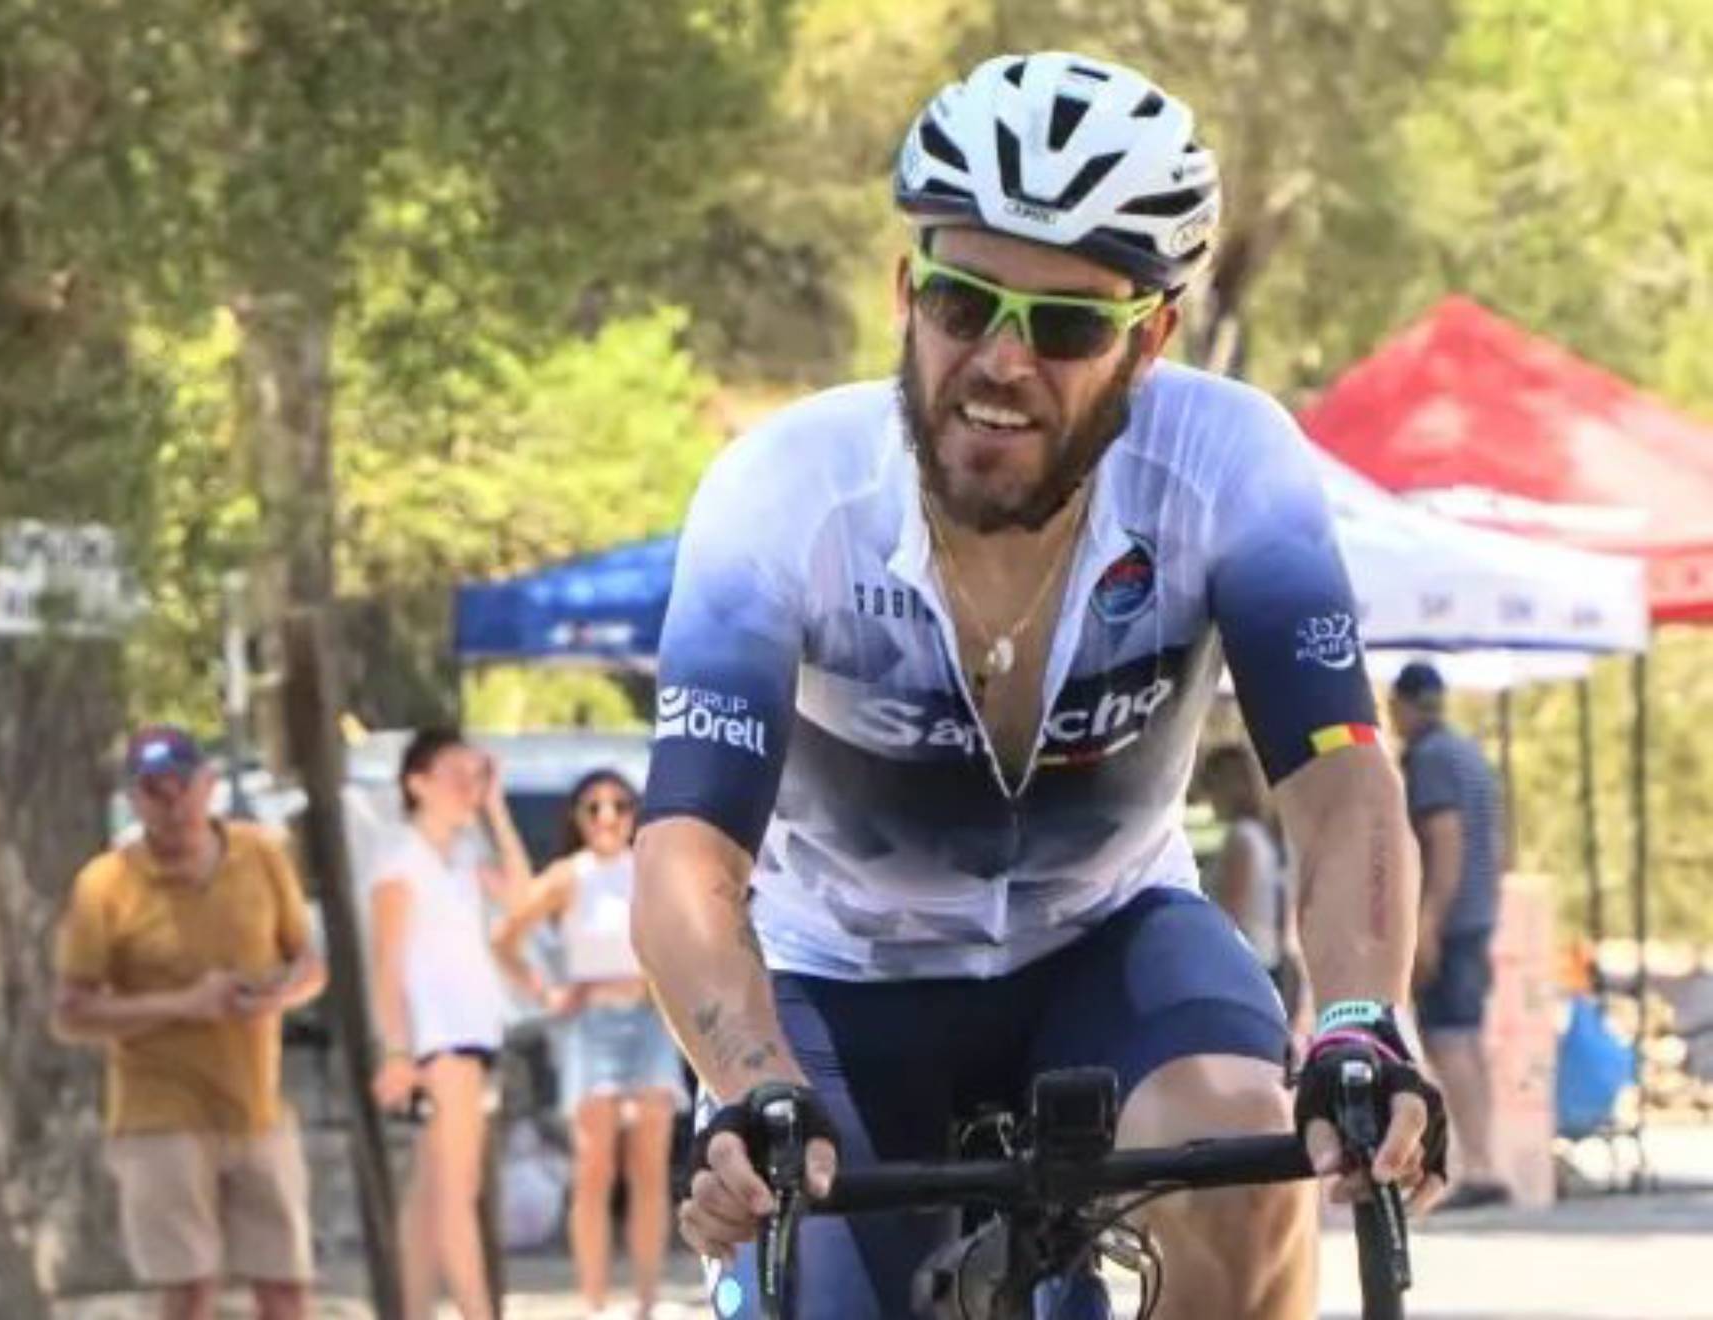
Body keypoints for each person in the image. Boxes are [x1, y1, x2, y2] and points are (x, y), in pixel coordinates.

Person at [631, 51, 1451, 1320]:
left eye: (1067, 326)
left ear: (1152, 339)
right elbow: (687, 850)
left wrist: (1358, 1017)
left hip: (1105, 939)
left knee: (1250, 1150)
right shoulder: (783, 494)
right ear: (908, 295)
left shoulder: (1232, 466)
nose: (1002, 363)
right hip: (838, 969)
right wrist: (748, 1079)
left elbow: (1341, 780)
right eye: (966, 305)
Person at [52, 725, 328, 1320]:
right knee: (188, 1287)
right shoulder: (106, 885)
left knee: (285, 1285)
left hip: (255, 1105)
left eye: (183, 787)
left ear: (209, 787)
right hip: (161, 1112)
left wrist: (276, 997)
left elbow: (308, 964)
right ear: (135, 800)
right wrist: (181, 1005)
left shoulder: (260, 856)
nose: (173, 804)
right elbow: (72, 1011)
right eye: (155, 791)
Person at [493, 770, 687, 1320]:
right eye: (593, 807)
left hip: (648, 1019)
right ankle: (595, 1301)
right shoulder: (567, 875)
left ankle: (645, 1301)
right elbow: (506, 936)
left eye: (619, 806)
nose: (607, 817)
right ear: (577, 818)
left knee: (649, 1165)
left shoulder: (649, 872)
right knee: (594, 1165)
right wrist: (544, 990)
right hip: (590, 1020)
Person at [366, 728, 532, 1320]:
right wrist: (394, 1051)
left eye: (474, 774)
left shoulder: (463, 857)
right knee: (455, 1195)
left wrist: (496, 808)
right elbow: (385, 965)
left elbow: (521, 897)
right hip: (438, 1042)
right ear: (417, 783)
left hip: (472, 1034)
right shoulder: (399, 861)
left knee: (431, 1197)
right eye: (454, 776)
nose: (468, 787)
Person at [1388, 660, 1511, 1209]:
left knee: (1449, 1037)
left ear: (1404, 706)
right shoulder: (1467, 752)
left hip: (1452, 915)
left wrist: (1428, 921)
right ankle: (1488, 1157)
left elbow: (1445, 837)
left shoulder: (1431, 758)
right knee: (1467, 1037)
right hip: (1479, 911)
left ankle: (1481, 1165)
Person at [1199, 744, 1309, 1032]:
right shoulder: (1276, 838)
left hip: (1247, 967)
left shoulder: (1242, 838)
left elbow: (1230, 918)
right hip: (1278, 962)